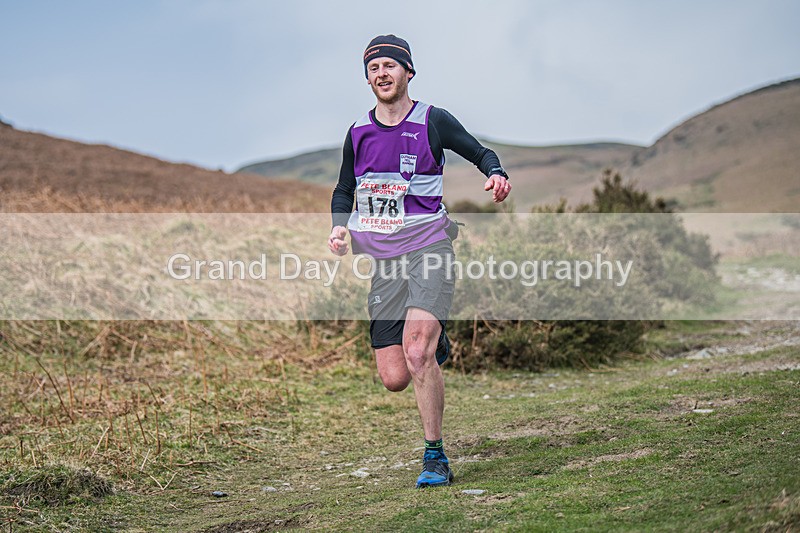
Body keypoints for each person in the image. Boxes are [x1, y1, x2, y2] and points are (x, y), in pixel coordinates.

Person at [327, 34, 511, 488]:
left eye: (391, 66)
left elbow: (480, 151)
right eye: (374, 68)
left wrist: (496, 173)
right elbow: (345, 187)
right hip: (385, 262)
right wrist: (338, 225)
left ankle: (435, 456)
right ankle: (433, 344)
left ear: (408, 72)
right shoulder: (357, 132)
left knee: (415, 353)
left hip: (429, 247)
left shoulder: (433, 121)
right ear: (368, 77)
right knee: (394, 377)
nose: (382, 74)